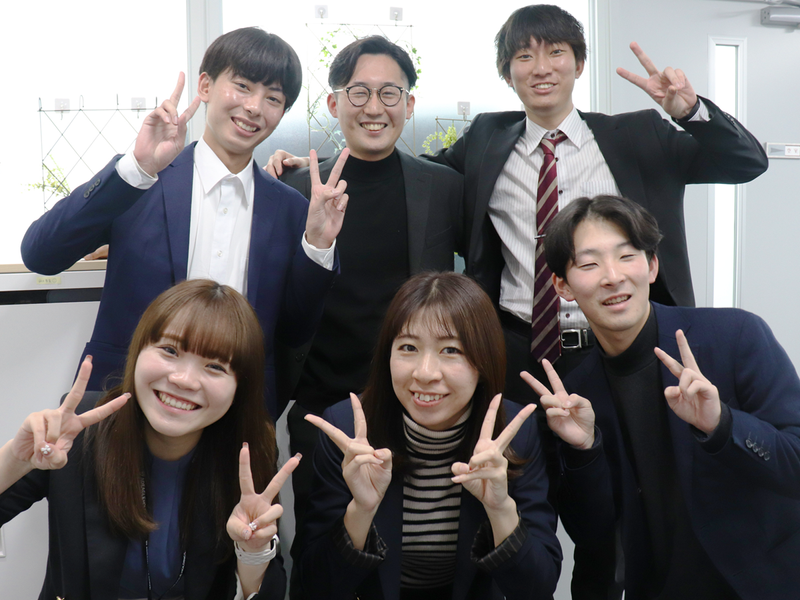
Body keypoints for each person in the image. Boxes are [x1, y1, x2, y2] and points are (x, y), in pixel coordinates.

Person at [21, 27, 349, 420]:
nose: (254, 107)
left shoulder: (292, 209)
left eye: (273, 98)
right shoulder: (141, 181)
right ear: (205, 85)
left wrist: (318, 245)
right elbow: (40, 255)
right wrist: (135, 168)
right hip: (122, 404)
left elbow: (295, 331)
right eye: (242, 86)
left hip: (238, 416)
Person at [524, 195, 800, 599]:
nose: (613, 276)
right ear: (562, 285)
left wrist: (722, 424)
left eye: (627, 256)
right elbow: (593, 535)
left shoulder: (735, 335)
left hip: (763, 584)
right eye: (589, 264)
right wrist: (585, 450)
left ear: (652, 266)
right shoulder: (574, 393)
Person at [269, 35, 465, 579]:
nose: (374, 107)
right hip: (321, 402)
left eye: (389, 93)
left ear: (409, 104)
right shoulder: (291, 186)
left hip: (420, 402)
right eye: (358, 93)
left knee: (413, 555)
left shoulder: (444, 187)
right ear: (334, 103)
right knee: (322, 551)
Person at [0, 279, 299, 600]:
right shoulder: (80, 429)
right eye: (170, 350)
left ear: (240, 387)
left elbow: (267, 590)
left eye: (214, 366)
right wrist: (16, 458)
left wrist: (252, 552)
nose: (184, 380)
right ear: (138, 349)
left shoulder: (248, 451)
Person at [296, 272, 561, 600]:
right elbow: (316, 587)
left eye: (450, 350)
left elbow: (538, 588)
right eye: (408, 347)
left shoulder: (514, 434)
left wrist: (500, 508)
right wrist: (361, 510)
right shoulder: (347, 431)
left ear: (483, 362)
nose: (425, 373)